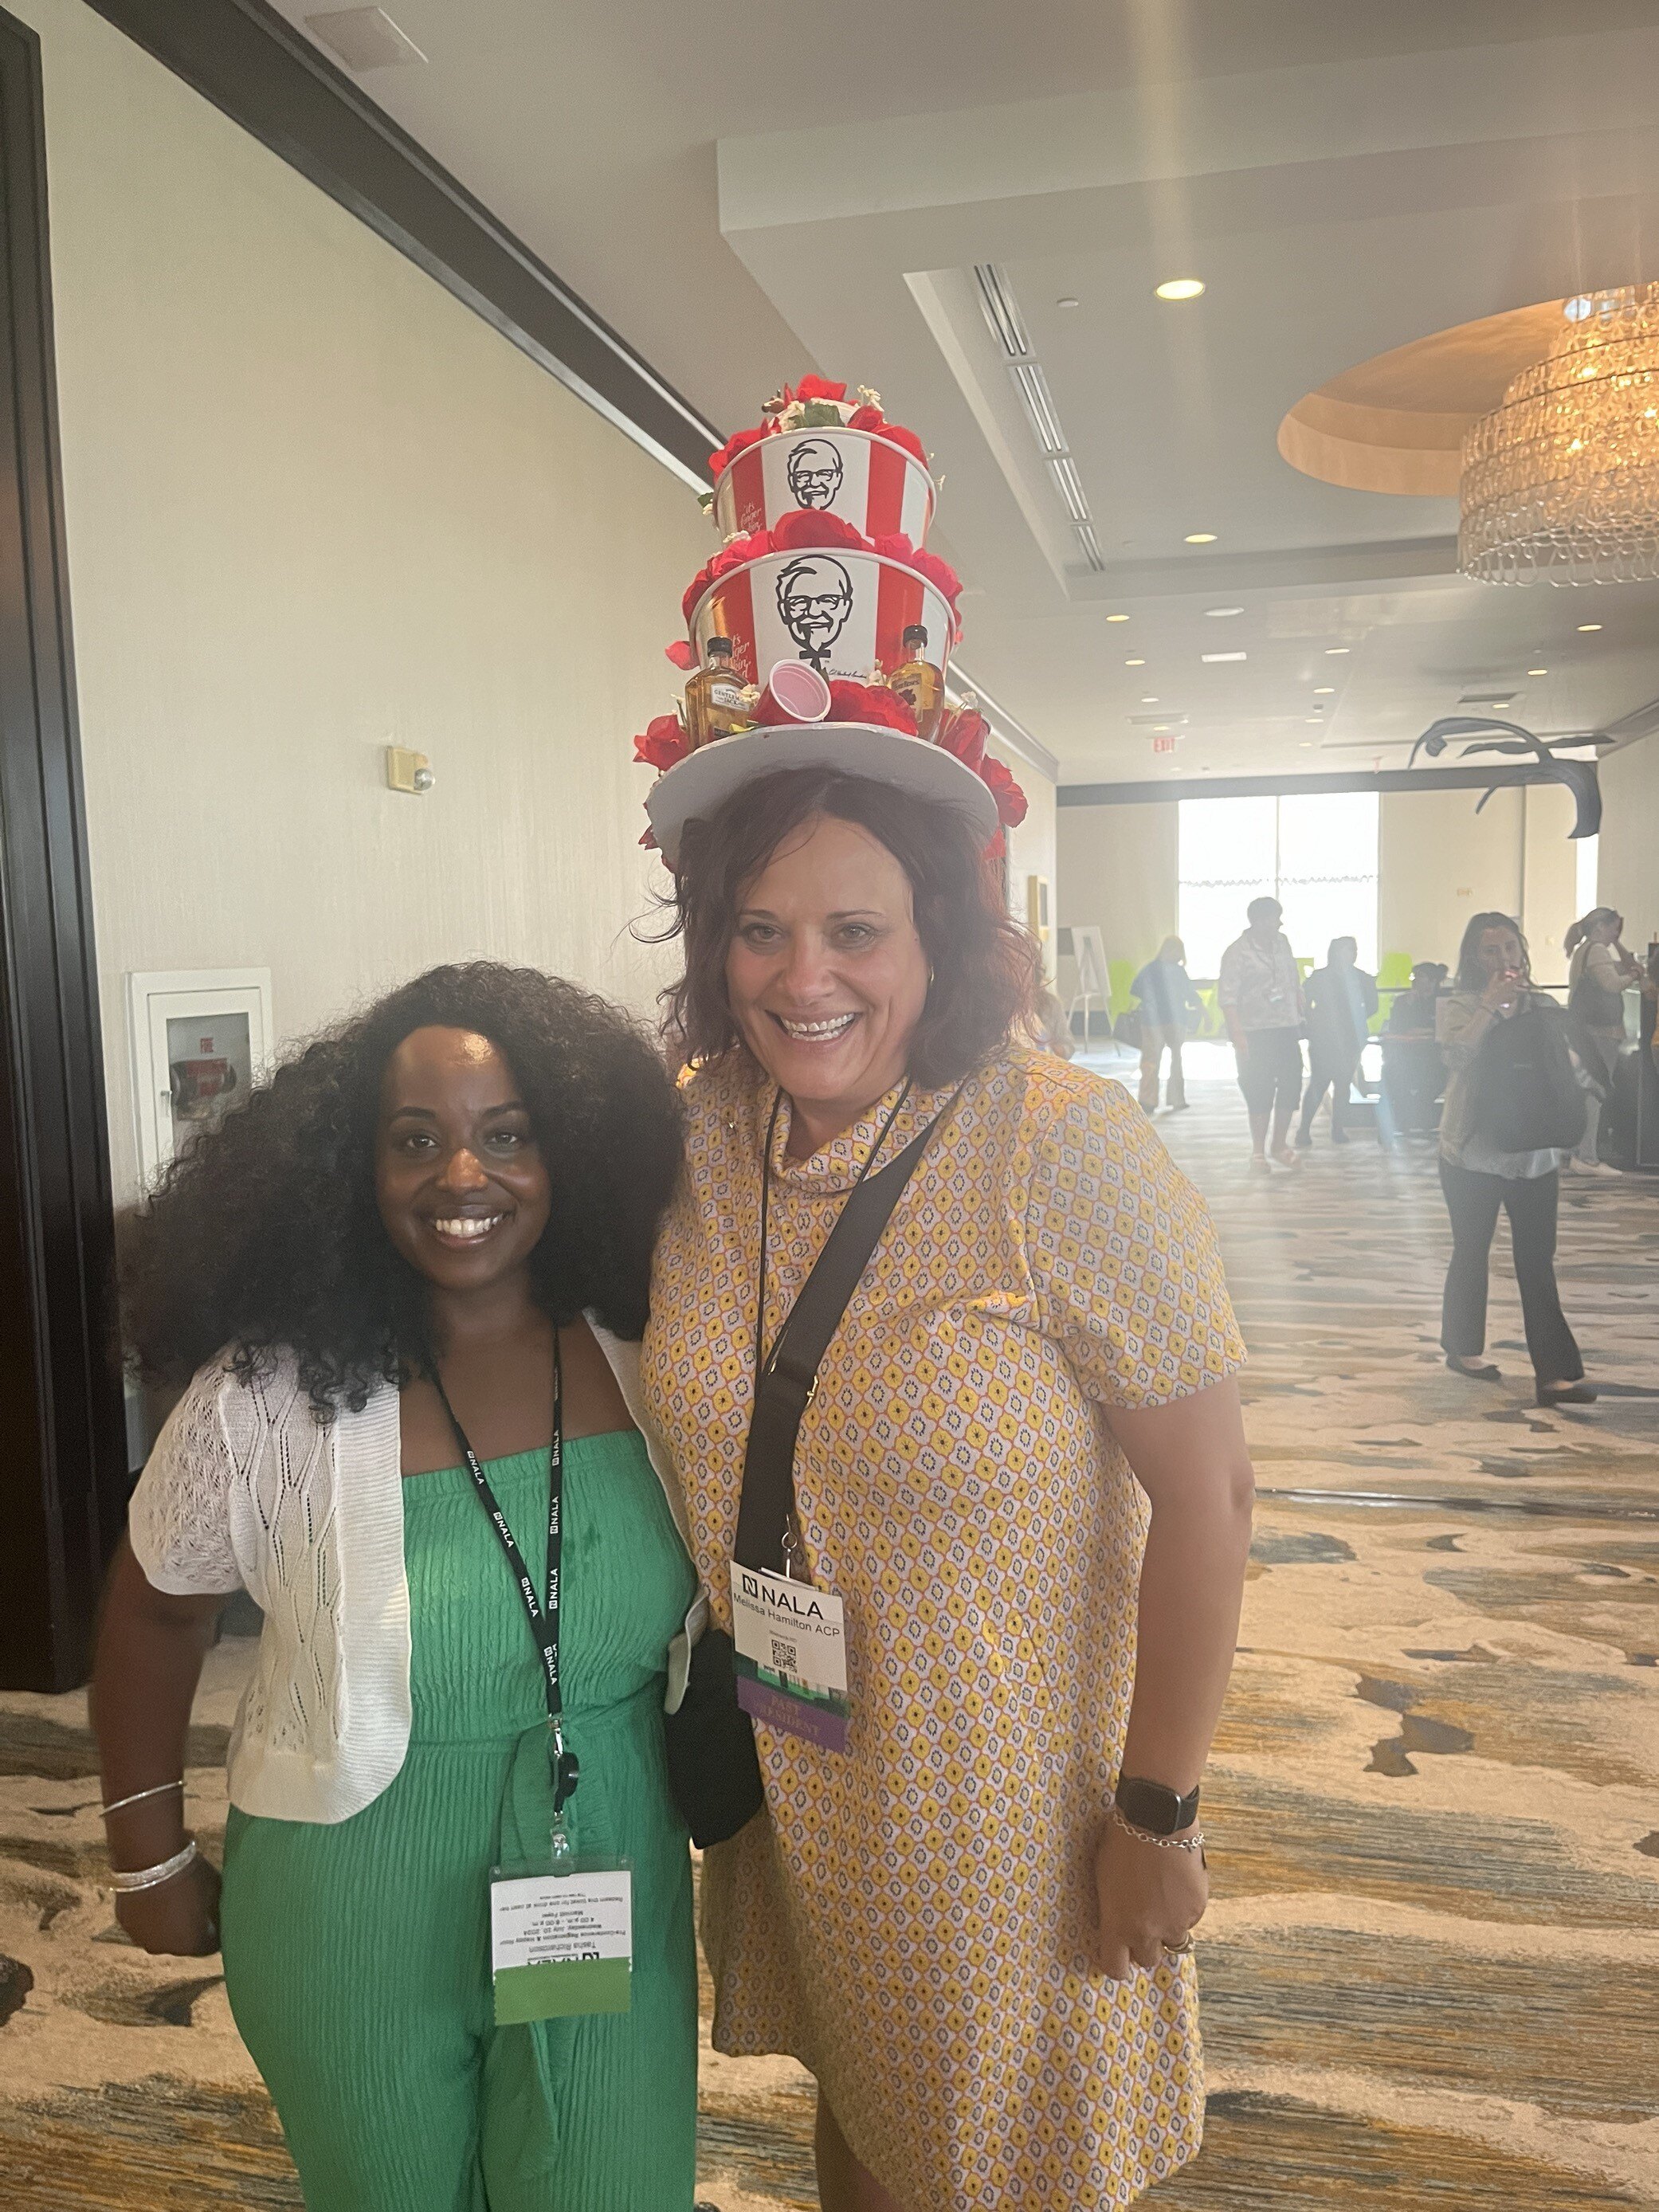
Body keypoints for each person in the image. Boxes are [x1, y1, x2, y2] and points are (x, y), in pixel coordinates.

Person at [640, 762, 1254, 2212]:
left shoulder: (1055, 1144)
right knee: (864, 2107)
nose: (805, 978)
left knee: (998, 2153)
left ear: (938, 940)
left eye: (856, 931)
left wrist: (1157, 1813)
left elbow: (1213, 1493)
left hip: (998, 1798)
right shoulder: (703, 1131)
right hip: (798, 1737)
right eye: (759, 929)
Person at [92, 964, 702, 2212]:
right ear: (350, 1173)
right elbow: (156, 1609)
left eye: (506, 1136)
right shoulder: (266, 1395)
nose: (461, 1178)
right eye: (413, 1142)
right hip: (349, 1893)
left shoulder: (649, 1352)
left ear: (568, 1153)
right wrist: (146, 1855)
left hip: (604, 1857)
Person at [1437, 916, 1594, 1409]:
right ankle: (1462, 1348)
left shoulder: (1544, 1007)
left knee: (1535, 1262)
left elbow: (1578, 1067)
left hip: (1535, 1154)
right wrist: (1489, 1008)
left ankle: (1555, 1375)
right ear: (1472, 959)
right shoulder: (1457, 1005)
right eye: (1490, 952)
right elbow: (1456, 1059)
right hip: (1472, 1155)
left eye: (1509, 948)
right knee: (1471, 1252)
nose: (1503, 959)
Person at [1218, 895, 1304, 1170]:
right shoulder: (1238, 951)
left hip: (1287, 1026)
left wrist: (1299, 1004)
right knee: (1259, 1089)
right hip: (1255, 1030)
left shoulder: (1283, 943)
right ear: (1258, 920)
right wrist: (1238, 1034)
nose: (1279, 923)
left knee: (1291, 1085)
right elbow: (1228, 997)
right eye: (1274, 918)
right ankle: (1258, 1151)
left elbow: (1292, 977)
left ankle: (1279, 1144)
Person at [1564, 907, 1637, 1178]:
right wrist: (1634, 977)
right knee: (1595, 1091)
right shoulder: (1596, 950)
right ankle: (1588, 1156)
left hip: (1586, 1029)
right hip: (1601, 1032)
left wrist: (1618, 943)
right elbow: (1612, 984)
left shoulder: (1586, 950)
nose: (1615, 934)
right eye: (1613, 929)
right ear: (1599, 928)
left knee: (1587, 1090)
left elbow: (1625, 963)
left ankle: (1580, 1153)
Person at [1296, 936, 1379, 1147]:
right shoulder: (1321, 977)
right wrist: (1314, 1021)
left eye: (1352, 950)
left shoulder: (1362, 978)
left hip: (1350, 1039)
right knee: (1319, 1083)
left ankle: (1337, 1128)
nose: (1349, 955)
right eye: (1345, 951)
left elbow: (1372, 1006)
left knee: (1343, 1084)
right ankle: (1305, 1129)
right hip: (1324, 1037)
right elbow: (1303, 1001)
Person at [1131, 935, 1203, 1112]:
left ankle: (1148, 1100)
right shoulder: (1178, 972)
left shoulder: (1149, 969)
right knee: (1176, 1059)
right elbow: (1190, 994)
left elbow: (1136, 989)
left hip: (1151, 1020)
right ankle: (1177, 1099)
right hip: (1176, 1020)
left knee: (1150, 1060)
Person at [1382, 961, 1447, 1135]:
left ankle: (1420, 1116)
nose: (1415, 980)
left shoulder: (1443, 1001)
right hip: (1407, 1054)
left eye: (1420, 977)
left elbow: (1442, 1029)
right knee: (1392, 1073)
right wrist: (1410, 1008)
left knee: (1437, 1078)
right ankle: (1405, 1119)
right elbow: (1397, 1027)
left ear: (1433, 981)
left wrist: (1422, 1031)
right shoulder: (1403, 1001)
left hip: (1434, 1056)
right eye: (1414, 976)